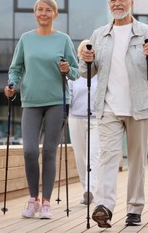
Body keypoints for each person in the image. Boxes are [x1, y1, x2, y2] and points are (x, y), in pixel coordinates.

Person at [79, 0, 148, 228]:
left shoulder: (146, 32)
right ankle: (104, 207)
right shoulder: (100, 34)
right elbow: (86, 73)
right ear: (108, 4)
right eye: (113, 0)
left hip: (140, 107)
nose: (117, 3)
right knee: (107, 158)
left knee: (136, 161)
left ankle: (134, 208)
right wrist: (85, 60)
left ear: (131, 2)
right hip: (108, 107)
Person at [4, 0, 79, 219]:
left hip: (57, 100)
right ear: (35, 13)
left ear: (55, 14)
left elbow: (76, 71)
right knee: (28, 150)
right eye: (39, 10)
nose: (43, 13)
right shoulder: (26, 39)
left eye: (48, 10)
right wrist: (11, 85)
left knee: (48, 151)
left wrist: (67, 69)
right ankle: (32, 199)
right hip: (31, 101)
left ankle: (46, 202)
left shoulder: (63, 40)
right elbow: (15, 69)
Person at [68, 39, 99, 205]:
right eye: (84, 51)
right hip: (76, 119)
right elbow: (69, 95)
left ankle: (90, 189)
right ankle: (85, 190)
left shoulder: (100, 72)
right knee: (80, 158)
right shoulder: (74, 74)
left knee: (92, 157)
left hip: (97, 120)